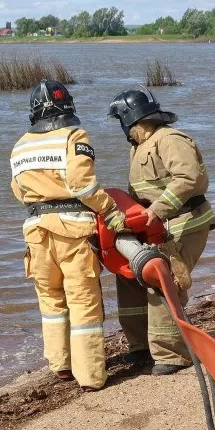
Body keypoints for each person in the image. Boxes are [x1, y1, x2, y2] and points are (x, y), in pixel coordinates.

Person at [11, 80, 127, 391]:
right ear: (68, 107)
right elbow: (82, 184)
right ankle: (90, 376)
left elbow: (18, 191)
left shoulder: (20, 145)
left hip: (36, 233)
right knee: (83, 302)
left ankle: (60, 364)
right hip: (74, 233)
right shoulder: (74, 136)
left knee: (51, 301)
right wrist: (111, 211)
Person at [107, 87, 215, 375]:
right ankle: (140, 345)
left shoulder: (170, 140)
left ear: (129, 119)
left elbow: (188, 178)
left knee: (164, 278)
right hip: (154, 228)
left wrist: (157, 210)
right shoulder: (139, 146)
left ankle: (173, 354)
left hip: (185, 222)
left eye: (120, 122)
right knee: (130, 278)